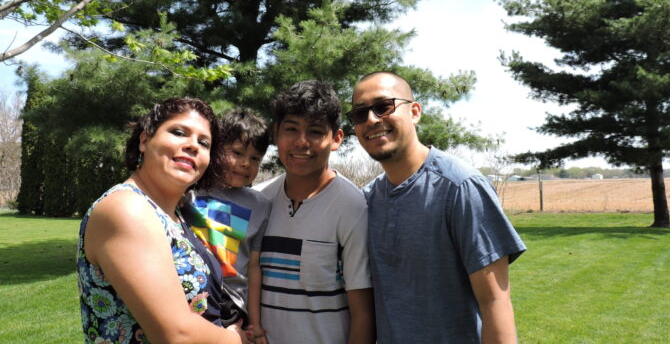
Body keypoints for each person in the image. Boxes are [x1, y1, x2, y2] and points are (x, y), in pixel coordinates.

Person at [349, 72, 527, 344]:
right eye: (360, 114)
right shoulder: (367, 199)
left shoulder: (461, 187)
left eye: (384, 106)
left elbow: (495, 301)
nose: (371, 119)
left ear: (415, 112)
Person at [77, 97, 243, 343]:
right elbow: (176, 335)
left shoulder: (174, 215)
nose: (193, 145)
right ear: (144, 140)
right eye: (179, 132)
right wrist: (237, 340)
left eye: (204, 143)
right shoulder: (127, 208)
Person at [254, 80, 375, 344]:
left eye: (316, 131)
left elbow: (363, 315)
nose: (301, 142)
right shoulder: (258, 200)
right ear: (276, 133)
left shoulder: (352, 207)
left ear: (337, 139)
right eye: (291, 129)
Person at [180, 108, 272, 343]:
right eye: (237, 153)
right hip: (188, 291)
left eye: (255, 158)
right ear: (217, 148)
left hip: (231, 304)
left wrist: (255, 323)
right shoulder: (189, 191)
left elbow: (253, 268)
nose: (245, 163)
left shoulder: (261, 205)